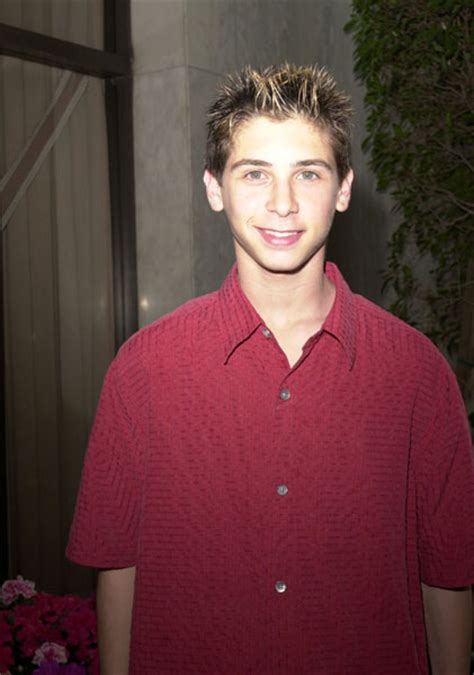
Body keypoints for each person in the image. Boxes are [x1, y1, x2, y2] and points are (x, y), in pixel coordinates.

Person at [67, 64, 473, 674]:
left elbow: (448, 576)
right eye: (254, 173)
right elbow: (117, 567)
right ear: (214, 188)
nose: (282, 204)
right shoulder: (141, 371)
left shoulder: (418, 373)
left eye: (307, 173)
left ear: (342, 188)